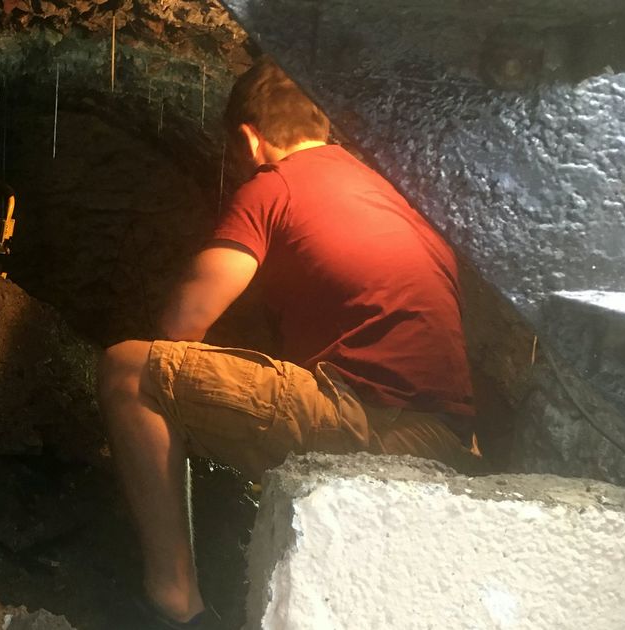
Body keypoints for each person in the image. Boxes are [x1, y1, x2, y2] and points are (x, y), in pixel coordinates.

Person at [97, 59, 479, 629]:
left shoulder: (275, 185)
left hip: (372, 421)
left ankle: (172, 602)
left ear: (251, 140)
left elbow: (185, 321)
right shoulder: (391, 196)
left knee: (128, 369)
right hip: (456, 442)